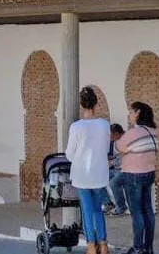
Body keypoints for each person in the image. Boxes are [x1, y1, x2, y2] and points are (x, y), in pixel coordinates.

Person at [65, 86, 111, 254]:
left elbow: (69, 154)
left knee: (86, 211)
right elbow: (106, 148)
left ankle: (91, 246)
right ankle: (104, 244)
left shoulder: (76, 127)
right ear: (96, 104)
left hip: (82, 175)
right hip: (100, 173)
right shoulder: (105, 125)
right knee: (98, 210)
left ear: (81, 105)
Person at [116, 102, 158, 254]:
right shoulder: (153, 131)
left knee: (137, 213)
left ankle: (138, 248)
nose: (129, 114)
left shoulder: (133, 133)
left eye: (131, 112)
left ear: (138, 113)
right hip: (149, 174)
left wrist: (126, 149)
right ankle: (148, 247)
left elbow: (118, 146)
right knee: (148, 210)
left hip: (133, 175)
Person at [103, 124, 128, 216]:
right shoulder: (116, 141)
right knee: (98, 179)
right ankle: (108, 203)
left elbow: (124, 157)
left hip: (124, 169)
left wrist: (112, 162)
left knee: (114, 183)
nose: (109, 137)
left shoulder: (126, 140)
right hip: (116, 168)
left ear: (117, 133)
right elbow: (118, 156)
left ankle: (121, 207)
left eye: (111, 135)